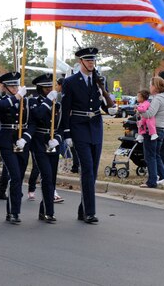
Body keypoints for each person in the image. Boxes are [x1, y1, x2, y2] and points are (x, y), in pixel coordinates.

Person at [61, 47, 116, 224]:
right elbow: (66, 109)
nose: (92, 63)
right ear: (80, 62)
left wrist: (111, 109)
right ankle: (90, 212)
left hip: (96, 127)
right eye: (88, 60)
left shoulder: (99, 80)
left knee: (93, 170)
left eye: (93, 60)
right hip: (79, 127)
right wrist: (67, 133)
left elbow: (102, 103)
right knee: (87, 169)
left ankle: (83, 208)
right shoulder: (70, 82)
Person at [0, 72, 33, 224]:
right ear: (4, 87)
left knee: (20, 177)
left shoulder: (26, 101)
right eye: (11, 85)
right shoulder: (1, 99)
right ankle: (14, 213)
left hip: (22, 141)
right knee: (15, 176)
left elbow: (32, 122)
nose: (15, 88)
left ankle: (13, 208)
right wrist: (17, 97)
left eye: (16, 85)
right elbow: (0, 107)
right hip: (7, 140)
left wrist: (25, 138)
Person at [30, 73, 62, 223]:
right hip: (39, 142)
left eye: (51, 86)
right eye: (46, 87)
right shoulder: (34, 102)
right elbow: (37, 116)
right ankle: (50, 211)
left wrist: (58, 139)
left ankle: (43, 209)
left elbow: (62, 126)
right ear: (40, 88)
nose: (49, 89)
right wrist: (48, 101)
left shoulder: (58, 104)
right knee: (46, 176)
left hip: (53, 143)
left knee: (53, 178)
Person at [138, 77, 164, 188]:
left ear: (156, 87)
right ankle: (163, 178)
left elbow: (149, 114)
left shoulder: (157, 99)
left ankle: (152, 181)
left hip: (152, 130)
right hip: (161, 129)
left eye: (150, 85)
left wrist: (139, 111)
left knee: (150, 156)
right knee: (156, 155)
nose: (149, 87)